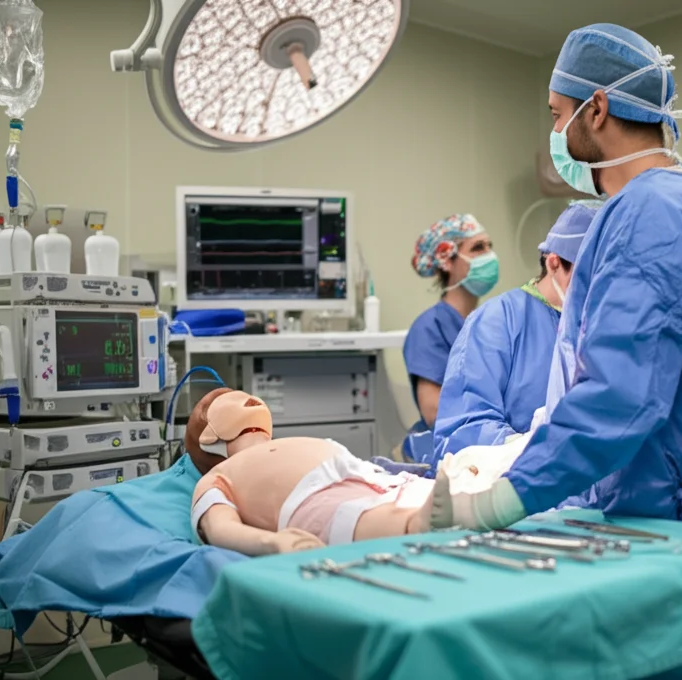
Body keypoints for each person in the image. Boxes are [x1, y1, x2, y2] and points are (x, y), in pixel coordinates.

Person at [428, 25, 682, 677]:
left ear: (598, 109)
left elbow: (620, 398)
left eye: (557, 116)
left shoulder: (646, 214)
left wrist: (501, 500)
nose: (556, 135)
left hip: (657, 523)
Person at [186, 388, 530, 555]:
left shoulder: (288, 444)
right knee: (359, 515)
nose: (247, 398)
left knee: (452, 483)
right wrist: (273, 542)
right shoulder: (216, 477)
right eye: (227, 398)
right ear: (209, 436)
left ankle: (483, 501)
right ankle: (415, 525)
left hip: (366, 477)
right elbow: (218, 527)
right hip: (308, 498)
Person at [432, 202, 597, 464]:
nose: (596, 290)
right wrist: (529, 449)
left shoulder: (605, 324)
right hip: (516, 480)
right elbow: (464, 427)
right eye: (587, 277)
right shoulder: (498, 321)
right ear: (554, 263)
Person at [401, 214, 497, 463]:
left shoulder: (489, 322)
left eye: (489, 246)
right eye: (477, 248)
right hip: (450, 450)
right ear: (447, 260)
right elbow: (434, 412)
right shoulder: (429, 327)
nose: (488, 255)